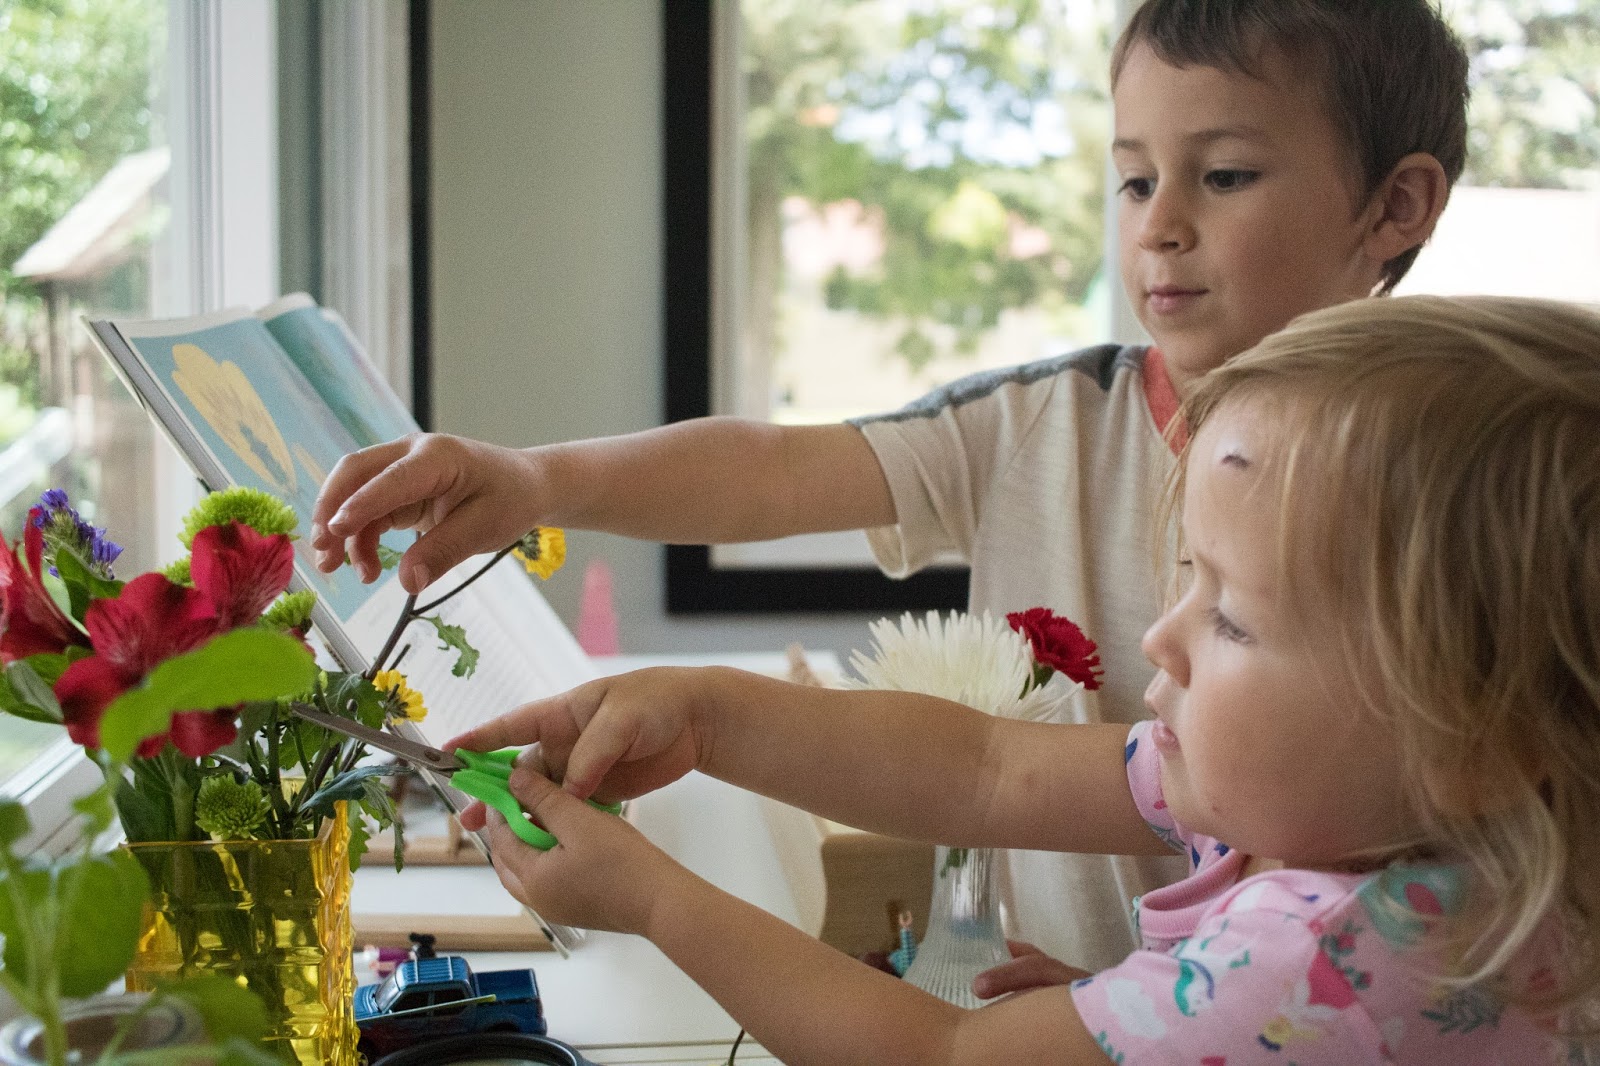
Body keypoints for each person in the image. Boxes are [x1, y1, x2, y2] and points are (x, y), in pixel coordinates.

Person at [310, 0, 1469, 973]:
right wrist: (535, 478)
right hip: (1094, 1014)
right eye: (1130, 182)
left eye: (1222, 175)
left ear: (1394, 205)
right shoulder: (1040, 417)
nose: (1158, 227)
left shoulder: (1446, 487)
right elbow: (771, 468)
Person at [447, 295, 1600, 1064]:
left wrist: (649, 898)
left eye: (1237, 618)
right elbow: (986, 768)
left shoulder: (1323, 955)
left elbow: (933, 1057)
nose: (1164, 634)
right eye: (1187, 579)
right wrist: (706, 712)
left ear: (1476, 735)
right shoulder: (1358, 809)